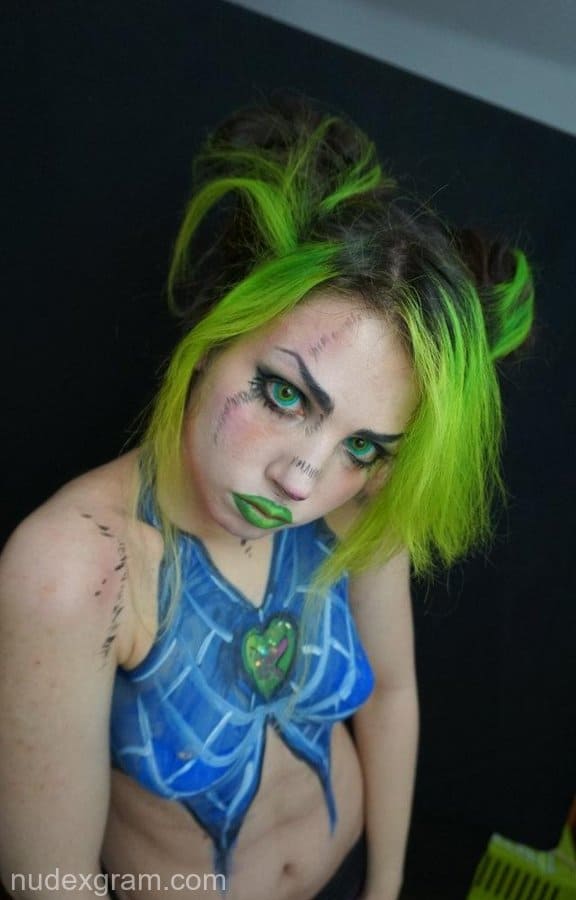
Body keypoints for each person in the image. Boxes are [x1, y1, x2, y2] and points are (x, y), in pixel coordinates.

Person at [0, 95, 534, 900]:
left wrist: (385, 886)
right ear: (220, 324)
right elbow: (48, 882)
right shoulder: (80, 570)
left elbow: (392, 693)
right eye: (286, 395)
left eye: (361, 444)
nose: (302, 480)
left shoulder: (357, 506)